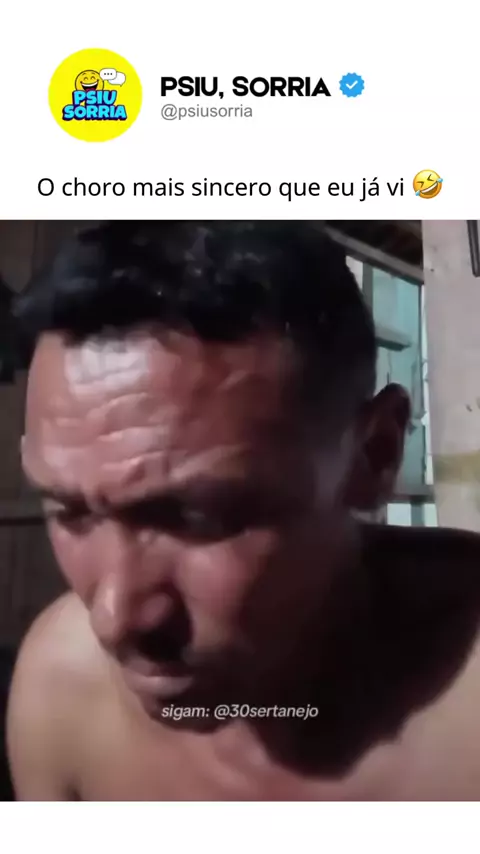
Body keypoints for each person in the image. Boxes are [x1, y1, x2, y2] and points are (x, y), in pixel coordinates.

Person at [6, 220, 480, 801]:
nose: (114, 619)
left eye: (200, 517)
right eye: (70, 511)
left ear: (374, 456)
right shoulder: (63, 689)